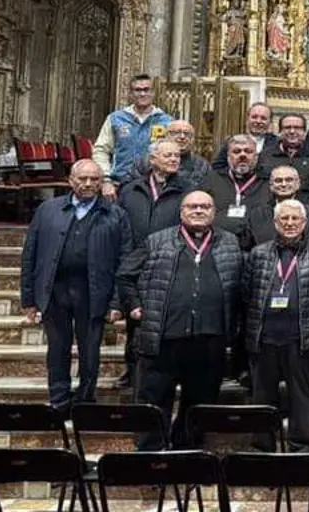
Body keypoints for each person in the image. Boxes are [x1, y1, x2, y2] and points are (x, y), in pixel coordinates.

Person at [119, 190, 241, 449]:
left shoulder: (230, 243)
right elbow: (125, 275)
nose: (198, 211)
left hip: (209, 339)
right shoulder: (156, 240)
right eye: (192, 206)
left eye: (205, 206)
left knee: (200, 404)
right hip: (164, 338)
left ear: (214, 211)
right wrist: (134, 306)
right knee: (154, 400)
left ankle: (187, 450)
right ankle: (150, 452)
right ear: (181, 211)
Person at [21, 160, 132, 411]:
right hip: (54, 290)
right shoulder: (47, 210)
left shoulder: (116, 215)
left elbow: (125, 261)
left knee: (90, 350)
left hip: (94, 292)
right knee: (57, 348)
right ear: (71, 181)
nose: (88, 184)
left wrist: (117, 302)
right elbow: (30, 254)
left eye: (95, 179)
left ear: (102, 182)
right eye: (82, 179)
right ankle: (58, 400)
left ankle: (85, 401)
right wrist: (28, 298)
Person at [244, 199, 309, 451]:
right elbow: (247, 293)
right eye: (284, 218)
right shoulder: (258, 253)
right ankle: (262, 446)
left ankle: (301, 446)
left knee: (300, 395)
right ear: (275, 223)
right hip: (264, 337)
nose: (290, 223)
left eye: (295, 218)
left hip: (300, 338)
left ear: (304, 223)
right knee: (262, 396)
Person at [116, 140, 189, 388]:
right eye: (168, 155)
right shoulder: (131, 190)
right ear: (153, 159)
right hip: (135, 260)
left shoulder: (186, 190)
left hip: (168, 261)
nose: (174, 159)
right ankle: (132, 370)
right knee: (135, 319)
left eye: (177, 156)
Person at [95, 74, 174, 199]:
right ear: (130, 94)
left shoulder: (167, 122)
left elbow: (174, 154)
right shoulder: (116, 119)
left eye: (146, 90)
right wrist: (106, 180)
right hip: (119, 185)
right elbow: (101, 150)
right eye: (137, 90)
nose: (142, 94)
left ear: (153, 93)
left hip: (155, 188)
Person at [242, 165, 309, 251]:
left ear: (298, 184)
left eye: (289, 180)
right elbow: (247, 248)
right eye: (278, 180)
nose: (283, 184)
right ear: (271, 186)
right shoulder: (257, 215)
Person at [203, 135, 270, 241]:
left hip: (257, 245)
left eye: (248, 151)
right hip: (217, 243)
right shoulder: (212, 180)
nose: (242, 155)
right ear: (228, 157)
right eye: (236, 151)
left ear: (256, 157)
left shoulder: (269, 182)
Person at [127, 119, 209, 188]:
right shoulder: (146, 162)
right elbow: (131, 188)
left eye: (187, 134)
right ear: (166, 136)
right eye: (176, 132)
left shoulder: (202, 166)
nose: (182, 137)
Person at [212, 102, 277, 174]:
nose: (258, 121)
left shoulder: (278, 143)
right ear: (247, 119)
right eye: (254, 117)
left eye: (263, 118)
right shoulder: (231, 141)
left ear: (270, 122)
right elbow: (217, 168)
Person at [259, 114, 309, 179]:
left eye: (297, 128)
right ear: (280, 131)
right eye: (287, 127)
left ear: (304, 131)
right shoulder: (265, 155)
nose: (292, 131)